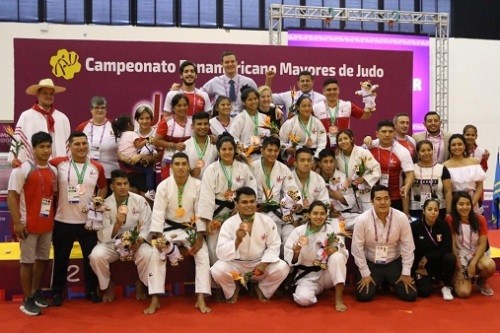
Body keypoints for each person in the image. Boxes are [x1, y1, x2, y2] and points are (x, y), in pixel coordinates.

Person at [146, 152, 212, 314]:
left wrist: (200, 235)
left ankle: (201, 298)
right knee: (157, 254)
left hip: (190, 229)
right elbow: (158, 213)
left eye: (184, 164)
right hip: (169, 229)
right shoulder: (164, 186)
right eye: (177, 164)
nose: (181, 167)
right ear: (172, 167)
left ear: (188, 167)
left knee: (203, 254)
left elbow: (200, 211)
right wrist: (159, 235)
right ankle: (155, 298)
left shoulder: (197, 185)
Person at [50, 131, 107, 306]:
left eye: (84, 143)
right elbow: (41, 164)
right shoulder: (58, 164)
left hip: (87, 222)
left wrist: (98, 201)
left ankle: (91, 290)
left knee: (90, 259)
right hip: (62, 221)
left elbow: (103, 188)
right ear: (69, 147)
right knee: (60, 259)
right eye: (77, 144)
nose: (81, 147)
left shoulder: (97, 167)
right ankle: (57, 293)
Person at [210, 187, 290, 303]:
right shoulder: (229, 224)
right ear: (236, 204)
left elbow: (274, 245)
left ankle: (262, 288)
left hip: (259, 264)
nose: (249, 205)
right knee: (217, 270)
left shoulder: (266, 221)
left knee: (283, 268)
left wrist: (264, 263)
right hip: (236, 265)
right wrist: (237, 241)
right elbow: (221, 252)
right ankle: (233, 289)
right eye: (244, 202)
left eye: (252, 201)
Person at [7, 131, 57, 315]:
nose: (45, 150)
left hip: (47, 225)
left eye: (48, 146)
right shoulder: (22, 169)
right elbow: (12, 196)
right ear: (34, 149)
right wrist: (17, 223)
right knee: (27, 262)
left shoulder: (54, 170)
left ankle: (35, 293)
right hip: (28, 226)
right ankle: (27, 299)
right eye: (41, 147)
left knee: (42, 260)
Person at [89, 169, 153, 310]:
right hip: (113, 243)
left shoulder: (139, 200)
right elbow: (101, 234)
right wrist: (117, 225)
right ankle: (107, 285)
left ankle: (141, 283)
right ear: (112, 186)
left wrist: (139, 241)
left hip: (136, 242)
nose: (123, 187)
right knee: (96, 256)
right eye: (119, 184)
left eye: (125, 183)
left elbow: (147, 224)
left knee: (148, 254)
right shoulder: (104, 205)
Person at [197, 133, 257, 265]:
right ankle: (219, 279)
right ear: (218, 151)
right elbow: (206, 197)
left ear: (235, 150)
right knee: (214, 246)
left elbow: (252, 191)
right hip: (217, 214)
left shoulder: (244, 168)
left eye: (230, 149)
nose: (227, 152)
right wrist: (208, 221)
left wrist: (242, 209)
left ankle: (239, 276)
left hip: (238, 212)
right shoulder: (211, 170)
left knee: (241, 243)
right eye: (224, 149)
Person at [351, 185, 417, 302]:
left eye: (386, 198)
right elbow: (357, 249)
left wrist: (406, 272)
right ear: (372, 201)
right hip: (371, 263)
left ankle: (386, 282)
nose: (383, 202)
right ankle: (381, 282)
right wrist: (365, 274)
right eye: (378, 199)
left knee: (410, 295)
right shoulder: (362, 220)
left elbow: (408, 247)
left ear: (391, 200)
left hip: (393, 262)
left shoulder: (401, 218)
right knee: (364, 296)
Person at [284, 201, 348, 311]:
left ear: (326, 215)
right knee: (303, 299)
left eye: (322, 214)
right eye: (315, 213)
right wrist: (296, 252)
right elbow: (290, 260)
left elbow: (344, 252)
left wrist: (335, 249)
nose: (319, 217)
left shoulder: (332, 231)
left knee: (337, 257)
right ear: (308, 215)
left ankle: (339, 299)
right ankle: (314, 290)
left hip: (326, 273)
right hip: (307, 276)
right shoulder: (298, 232)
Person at [251, 136, 302, 243]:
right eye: (269, 150)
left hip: (276, 213)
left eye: (276, 151)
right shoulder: (252, 167)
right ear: (262, 150)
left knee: (275, 243)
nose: (273, 153)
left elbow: (291, 188)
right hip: (258, 211)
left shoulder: (283, 168)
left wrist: (298, 202)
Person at [8, 78, 70, 167]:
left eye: (51, 94)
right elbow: (19, 140)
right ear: (38, 94)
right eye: (45, 93)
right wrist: (16, 159)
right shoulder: (26, 116)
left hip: (59, 167)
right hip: (34, 168)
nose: (48, 96)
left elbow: (68, 146)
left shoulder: (63, 118)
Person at [446, 192, 496, 297]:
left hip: (475, 255)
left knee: (490, 265)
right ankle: (459, 277)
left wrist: (473, 263)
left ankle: (480, 281)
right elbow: (452, 245)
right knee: (464, 293)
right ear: (455, 205)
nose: (465, 207)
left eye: (468, 204)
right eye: (461, 204)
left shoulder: (480, 219)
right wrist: (459, 265)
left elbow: (483, 244)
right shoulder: (450, 219)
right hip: (459, 257)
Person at [411, 199, 455, 300]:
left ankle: (446, 285)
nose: (433, 212)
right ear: (423, 211)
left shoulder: (443, 225)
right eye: (429, 209)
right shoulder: (415, 226)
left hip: (438, 262)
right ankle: (430, 281)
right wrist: (414, 270)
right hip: (422, 266)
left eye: (436, 210)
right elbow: (410, 249)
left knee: (450, 258)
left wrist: (427, 257)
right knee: (424, 292)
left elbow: (447, 247)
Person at [369, 120, 414, 215]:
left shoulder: (402, 151)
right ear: (377, 133)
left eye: (390, 132)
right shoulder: (369, 146)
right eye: (384, 131)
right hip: (371, 196)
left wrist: (407, 186)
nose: (387, 134)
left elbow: (410, 173)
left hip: (394, 197)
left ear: (394, 133)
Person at [313, 78, 372, 147]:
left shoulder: (347, 105)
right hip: (324, 151)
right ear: (323, 91)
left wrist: (368, 98)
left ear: (338, 90)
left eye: (335, 89)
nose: (332, 92)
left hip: (344, 149)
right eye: (329, 90)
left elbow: (366, 116)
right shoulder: (315, 108)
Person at [336, 129, 381, 214]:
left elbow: (376, 169)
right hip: (347, 193)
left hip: (363, 192)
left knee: (368, 218)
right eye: (340, 140)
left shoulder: (362, 152)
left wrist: (364, 179)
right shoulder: (337, 156)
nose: (343, 141)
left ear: (351, 139)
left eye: (345, 138)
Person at [76, 96, 120, 183]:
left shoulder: (115, 126)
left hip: (111, 174)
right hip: (88, 174)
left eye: (102, 107)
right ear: (91, 110)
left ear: (106, 109)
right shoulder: (82, 127)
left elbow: (123, 148)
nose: (100, 110)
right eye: (96, 107)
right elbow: (73, 149)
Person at [112, 115, 157, 201]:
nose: (144, 121)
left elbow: (118, 153)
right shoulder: (133, 134)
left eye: (147, 118)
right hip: (134, 164)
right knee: (149, 171)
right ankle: (151, 191)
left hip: (127, 166)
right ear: (129, 124)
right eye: (141, 118)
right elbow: (138, 146)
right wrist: (146, 140)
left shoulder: (119, 137)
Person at [202, 51, 258, 116]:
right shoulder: (214, 82)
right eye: (227, 62)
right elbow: (201, 96)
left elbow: (258, 99)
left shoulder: (248, 82)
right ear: (222, 64)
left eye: (232, 61)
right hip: (222, 121)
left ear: (237, 62)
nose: (230, 64)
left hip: (244, 120)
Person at [443, 134, 486, 214]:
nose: (457, 147)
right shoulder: (445, 165)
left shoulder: (474, 162)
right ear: (449, 148)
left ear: (464, 146)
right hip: (454, 202)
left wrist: (471, 204)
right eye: (453, 145)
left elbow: (479, 186)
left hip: (471, 201)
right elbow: (446, 191)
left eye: (460, 144)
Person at [410, 140, 452, 220]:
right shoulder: (412, 168)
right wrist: (406, 212)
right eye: (423, 151)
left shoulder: (442, 168)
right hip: (416, 210)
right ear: (418, 153)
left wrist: (448, 212)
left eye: (429, 150)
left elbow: (448, 191)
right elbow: (407, 192)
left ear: (433, 151)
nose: (426, 153)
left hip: (438, 210)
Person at [154, 94, 192, 179]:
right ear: (173, 108)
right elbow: (156, 141)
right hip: (169, 159)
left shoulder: (193, 121)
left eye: (185, 105)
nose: (182, 108)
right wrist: (174, 145)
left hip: (189, 158)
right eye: (179, 105)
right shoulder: (166, 122)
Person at [280, 95, 327, 162]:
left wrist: (316, 158)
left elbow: (322, 142)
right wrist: (287, 149)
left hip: (313, 158)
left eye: (309, 106)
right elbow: (281, 141)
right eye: (304, 106)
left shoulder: (317, 122)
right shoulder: (290, 123)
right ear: (298, 107)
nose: (307, 108)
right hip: (296, 158)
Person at [317, 149, 357, 227]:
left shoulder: (342, 177)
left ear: (335, 162)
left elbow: (352, 200)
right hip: (322, 218)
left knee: (362, 219)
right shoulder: (315, 179)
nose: (329, 165)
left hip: (343, 215)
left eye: (331, 161)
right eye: (325, 162)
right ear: (320, 164)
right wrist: (328, 212)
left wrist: (340, 198)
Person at [229, 86, 270, 161]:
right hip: (245, 157)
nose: (253, 102)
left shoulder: (265, 117)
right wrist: (248, 148)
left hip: (263, 157)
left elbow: (268, 136)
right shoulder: (240, 118)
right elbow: (233, 137)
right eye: (250, 100)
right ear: (244, 102)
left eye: (255, 99)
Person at [182, 111, 218, 179]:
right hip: (192, 186)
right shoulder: (185, 146)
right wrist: (189, 173)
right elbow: (179, 170)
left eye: (205, 124)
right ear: (192, 126)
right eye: (199, 124)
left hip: (211, 185)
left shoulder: (215, 144)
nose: (203, 127)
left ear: (209, 125)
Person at [292, 148, 329, 212]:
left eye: (309, 160)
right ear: (295, 163)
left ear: (312, 162)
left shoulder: (318, 179)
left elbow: (324, 202)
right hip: (292, 216)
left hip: (314, 216)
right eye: (302, 160)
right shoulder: (287, 179)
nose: (306, 163)